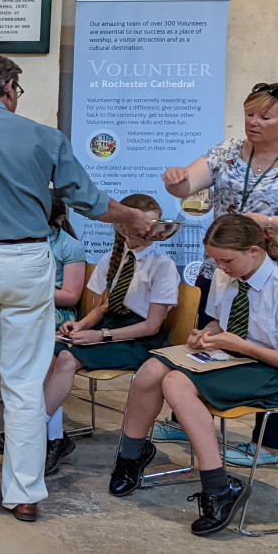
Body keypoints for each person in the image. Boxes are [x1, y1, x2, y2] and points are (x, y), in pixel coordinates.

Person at [0, 52, 156, 523]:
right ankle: (24, 493)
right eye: (16, 90)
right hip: (30, 258)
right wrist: (133, 217)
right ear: (8, 87)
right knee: (25, 383)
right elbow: (87, 201)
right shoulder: (47, 137)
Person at [108, 214, 278, 535]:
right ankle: (132, 456)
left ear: (256, 252)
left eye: (227, 260)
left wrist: (238, 344)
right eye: (216, 261)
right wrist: (205, 334)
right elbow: (220, 322)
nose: (222, 268)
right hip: (234, 358)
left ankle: (218, 487)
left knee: (176, 382)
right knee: (151, 369)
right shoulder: (223, 276)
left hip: (272, 371)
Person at [161, 81, 278, 465]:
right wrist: (178, 181)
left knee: (272, 346)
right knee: (207, 334)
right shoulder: (229, 151)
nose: (253, 122)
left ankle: (270, 442)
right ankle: (187, 413)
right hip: (223, 267)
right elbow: (188, 186)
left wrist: (264, 221)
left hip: (275, 266)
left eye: (264, 116)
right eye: (249, 113)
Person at [42, 193, 175, 475]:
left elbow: (152, 326)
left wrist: (100, 336)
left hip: (139, 339)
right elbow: (101, 308)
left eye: (154, 224)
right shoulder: (110, 258)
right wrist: (81, 326)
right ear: (122, 225)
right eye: (143, 224)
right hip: (110, 328)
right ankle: (52, 439)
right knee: (47, 354)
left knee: (66, 359)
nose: (150, 231)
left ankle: (30, 430)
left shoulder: (162, 265)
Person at [47, 198, 88, 326]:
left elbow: (71, 297)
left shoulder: (70, 245)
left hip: (56, 308)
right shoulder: (26, 239)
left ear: (60, 218)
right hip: (27, 301)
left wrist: (30, 293)